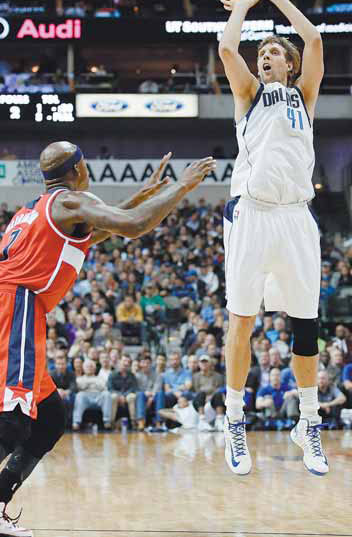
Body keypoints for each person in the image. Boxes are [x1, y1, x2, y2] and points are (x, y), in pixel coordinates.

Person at [0, 141, 215, 535]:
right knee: (13, 422)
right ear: (79, 168)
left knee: (49, 419)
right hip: (18, 309)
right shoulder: (68, 203)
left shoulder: (34, 210)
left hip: (17, 308)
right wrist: (182, 186)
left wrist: (143, 194)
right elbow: (132, 227)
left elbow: (95, 233)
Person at [219, 0, 327, 475]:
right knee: (242, 320)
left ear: (290, 64)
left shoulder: (305, 96)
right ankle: (234, 421)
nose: (265, 58)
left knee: (306, 324)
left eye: (274, 54)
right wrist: (241, 6)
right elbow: (225, 49)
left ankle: (310, 422)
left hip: (297, 217)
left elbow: (312, 35)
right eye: (260, 54)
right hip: (253, 212)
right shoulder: (249, 96)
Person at [72, 359, 113, 430]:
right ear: (83, 368)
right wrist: (94, 384)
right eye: (87, 367)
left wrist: (88, 384)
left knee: (107, 394)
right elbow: (80, 387)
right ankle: (76, 422)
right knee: (80, 395)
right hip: (85, 398)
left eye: (91, 366)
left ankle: (107, 421)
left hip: (99, 397)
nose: (89, 368)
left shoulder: (100, 378)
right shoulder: (79, 379)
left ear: (95, 368)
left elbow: (103, 387)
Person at [108, 354, 138, 428]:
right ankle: (111, 423)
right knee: (113, 397)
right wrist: (120, 395)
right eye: (124, 361)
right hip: (116, 395)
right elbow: (110, 388)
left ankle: (133, 422)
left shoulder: (131, 375)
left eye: (128, 361)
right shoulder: (112, 374)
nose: (126, 363)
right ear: (119, 362)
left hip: (128, 395)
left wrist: (124, 396)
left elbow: (133, 388)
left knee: (132, 397)